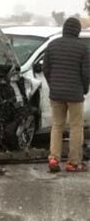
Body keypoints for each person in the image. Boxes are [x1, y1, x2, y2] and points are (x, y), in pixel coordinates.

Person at [44, 17, 90, 173]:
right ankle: (73, 163)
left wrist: (53, 85)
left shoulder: (52, 45)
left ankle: (53, 158)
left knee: (57, 125)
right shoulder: (82, 48)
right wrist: (84, 89)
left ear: (64, 29)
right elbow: (85, 73)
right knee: (76, 127)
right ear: (77, 31)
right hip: (75, 94)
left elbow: (46, 69)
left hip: (56, 93)